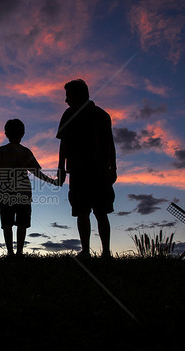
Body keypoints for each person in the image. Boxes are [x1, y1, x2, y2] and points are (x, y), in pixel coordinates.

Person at [0, 119, 58, 257]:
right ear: (22, 134)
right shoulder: (25, 151)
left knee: (7, 224)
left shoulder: (1, 151)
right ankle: (19, 252)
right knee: (22, 223)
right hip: (24, 192)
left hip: (6, 192)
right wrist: (52, 182)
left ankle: (11, 252)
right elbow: (36, 172)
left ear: (6, 133)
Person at [56, 79, 117, 259]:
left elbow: (109, 143)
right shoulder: (99, 114)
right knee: (94, 211)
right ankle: (95, 251)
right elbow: (65, 143)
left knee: (92, 211)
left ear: (77, 95)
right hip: (88, 170)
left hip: (87, 170)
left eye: (68, 96)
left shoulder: (95, 115)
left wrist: (113, 168)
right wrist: (113, 168)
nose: (66, 100)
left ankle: (97, 251)